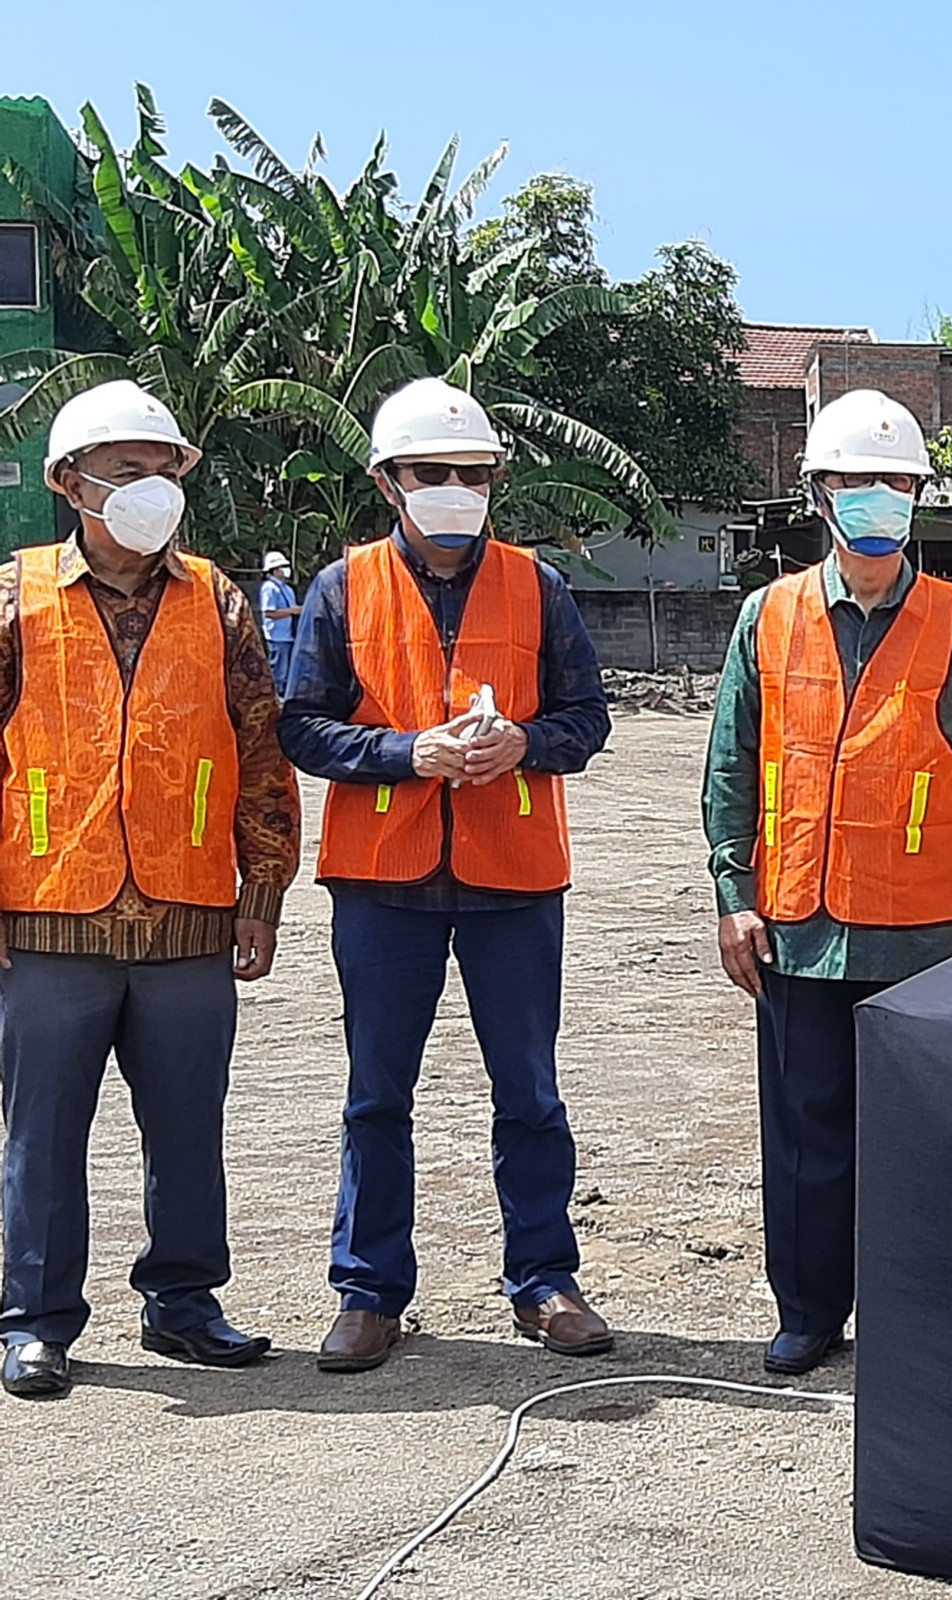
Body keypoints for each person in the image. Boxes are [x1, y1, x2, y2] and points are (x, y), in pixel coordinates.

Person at [278, 377, 614, 1375]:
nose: (457, 490)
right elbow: (301, 725)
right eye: (434, 473)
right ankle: (370, 1290)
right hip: (384, 878)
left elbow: (586, 719)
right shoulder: (343, 589)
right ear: (389, 482)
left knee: (530, 1090)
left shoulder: (538, 586)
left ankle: (545, 1278)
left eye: (474, 474)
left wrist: (523, 740)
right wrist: (403, 753)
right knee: (377, 1094)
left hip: (513, 877)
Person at [704, 389, 952, 1376]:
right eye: (857, 481)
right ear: (821, 494)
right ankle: (808, 1310)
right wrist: (733, 895)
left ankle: (910, 1305)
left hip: (925, 931)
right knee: (804, 1138)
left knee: (919, 1138)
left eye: (896, 481)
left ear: (918, 496)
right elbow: (730, 766)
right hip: (797, 924)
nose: (878, 497)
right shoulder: (768, 618)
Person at [0, 381, 300, 1399]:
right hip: (46, 911)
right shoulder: (16, 594)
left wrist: (262, 889)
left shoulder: (216, 598)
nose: (148, 488)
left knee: (187, 1123)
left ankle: (183, 1300)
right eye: (124, 471)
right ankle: (37, 1319)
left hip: (187, 910)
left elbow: (261, 749)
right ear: (68, 484)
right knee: (42, 1130)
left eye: (162, 469)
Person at [259, 550, 300, 689]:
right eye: (281, 568)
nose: (285, 571)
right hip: (277, 637)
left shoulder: (287, 589)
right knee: (279, 673)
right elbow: (268, 613)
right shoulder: (269, 588)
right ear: (274, 571)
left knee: (288, 672)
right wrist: (293, 611)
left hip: (289, 636)